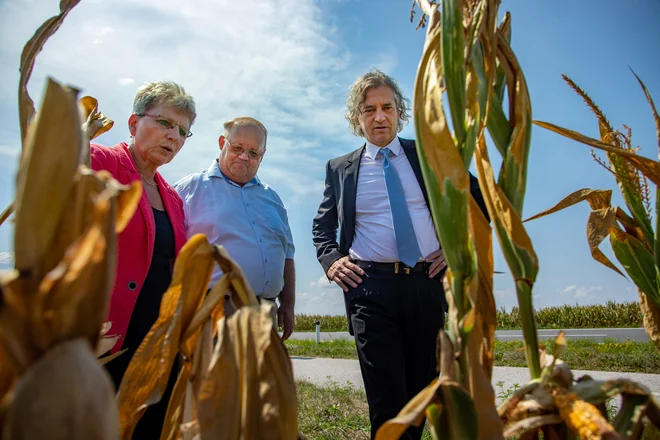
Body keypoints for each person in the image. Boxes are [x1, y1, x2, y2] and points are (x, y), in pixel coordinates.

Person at [312, 69, 487, 440]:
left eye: (386, 107)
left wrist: (457, 251)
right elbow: (322, 228)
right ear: (356, 117)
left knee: (421, 393)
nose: (379, 116)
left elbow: (479, 202)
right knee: (386, 398)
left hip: (427, 283)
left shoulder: (428, 155)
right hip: (369, 288)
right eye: (369, 109)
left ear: (399, 111)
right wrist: (332, 262)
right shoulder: (340, 169)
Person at [90, 80, 196, 438]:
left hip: (154, 345)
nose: (174, 137)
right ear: (134, 124)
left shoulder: (173, 197)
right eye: (165, 123)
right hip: (99, 340)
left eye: (183, 131)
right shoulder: (96, 161)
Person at [174, 117, 296, 340]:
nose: (244, 156)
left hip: (265, 314)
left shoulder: (273, 199)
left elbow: (287, 254)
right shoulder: (188, 190)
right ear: (222, 143)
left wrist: (288, 303)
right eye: (237, 148)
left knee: (261, 377)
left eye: (253, 153)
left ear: (263, 155)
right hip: (212, 311)